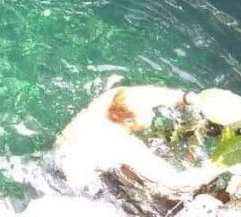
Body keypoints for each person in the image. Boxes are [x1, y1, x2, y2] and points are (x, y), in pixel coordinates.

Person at [51, 84, 223, 210]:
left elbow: (143, 93)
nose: (152, 111)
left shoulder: (106, 103)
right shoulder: (126, 146)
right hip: (83, 193)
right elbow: (178, 182)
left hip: (58, 159)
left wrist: (187, 98)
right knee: (170, 197)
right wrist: (225, 162)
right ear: (129, 121)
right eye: (147, 111)